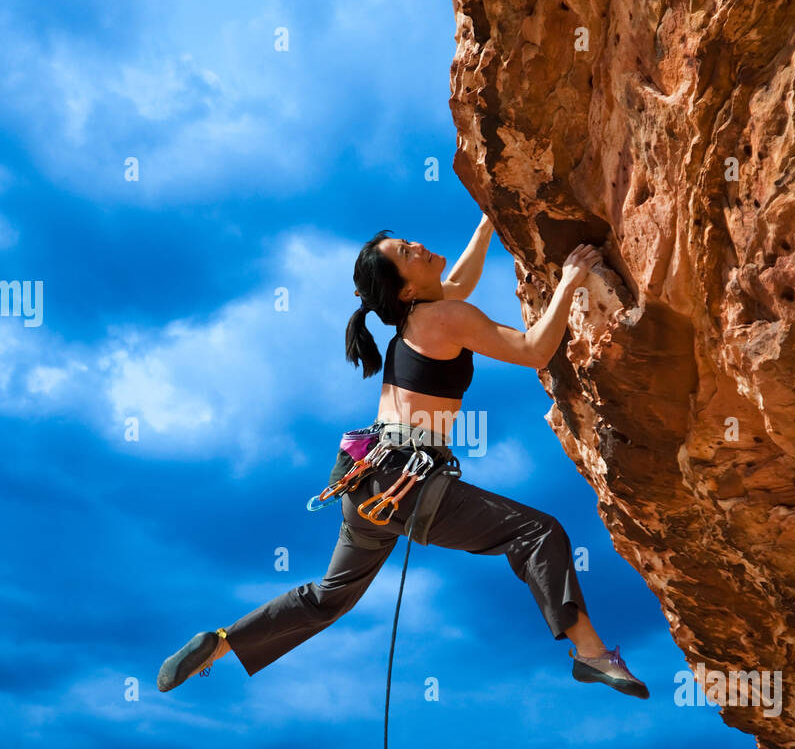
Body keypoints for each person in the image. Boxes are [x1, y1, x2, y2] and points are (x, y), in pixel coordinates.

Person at [157, 214, 649, 698]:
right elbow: (533, 350)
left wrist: (485, 227)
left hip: (364, 480)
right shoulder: (443, 317)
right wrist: (568, 282)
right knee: (537, 531)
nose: (415, 245)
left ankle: (224, 642)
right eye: (405, 254)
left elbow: (457, 282)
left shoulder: (424, 316)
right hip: (405, 481)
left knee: (331, 598)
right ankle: (590, 654)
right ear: (406, 291)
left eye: (407, 242)